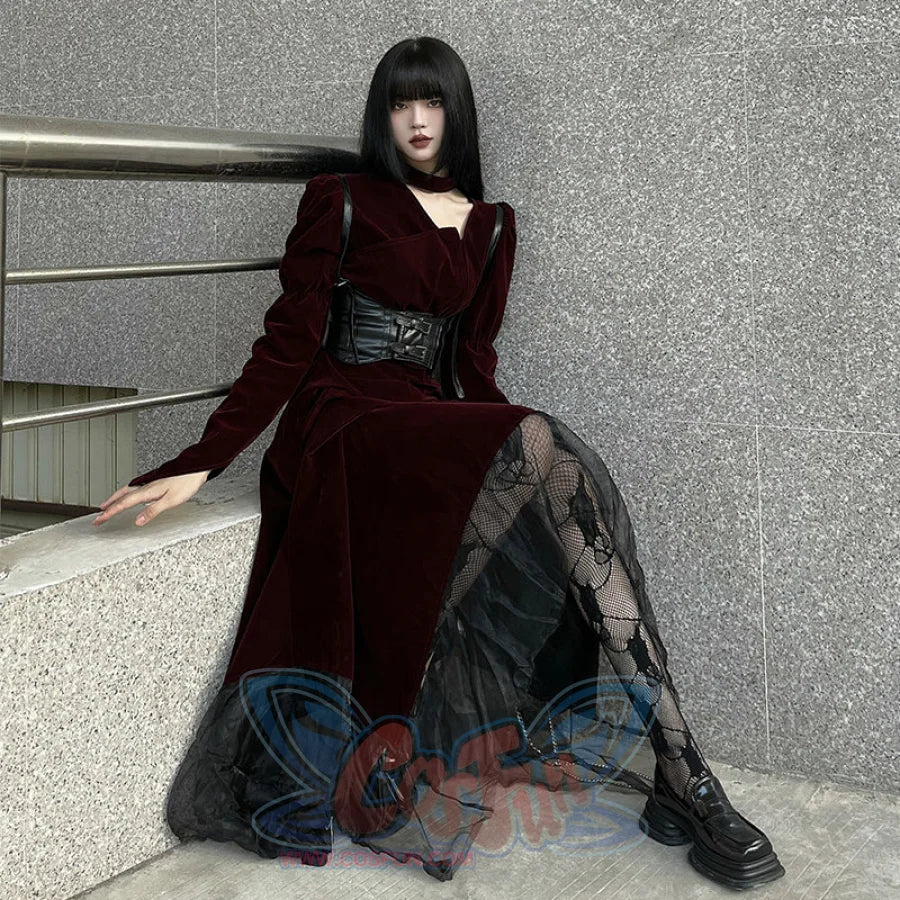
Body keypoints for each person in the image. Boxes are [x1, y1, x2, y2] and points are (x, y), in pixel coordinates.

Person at [93, 36, 785, 890]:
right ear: (382, 116)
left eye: (433, 102)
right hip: (343, 421)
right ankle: (686, 781)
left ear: (457, 113)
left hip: (422, 416)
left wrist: (510, 456)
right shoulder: (342, 198)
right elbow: (287, 344)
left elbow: (473, 368)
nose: (418, 120)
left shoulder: (492, 225)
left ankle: (685, 772)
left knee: (554, 467)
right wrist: (202, 460)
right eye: (400, 103)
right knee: (541, 442)